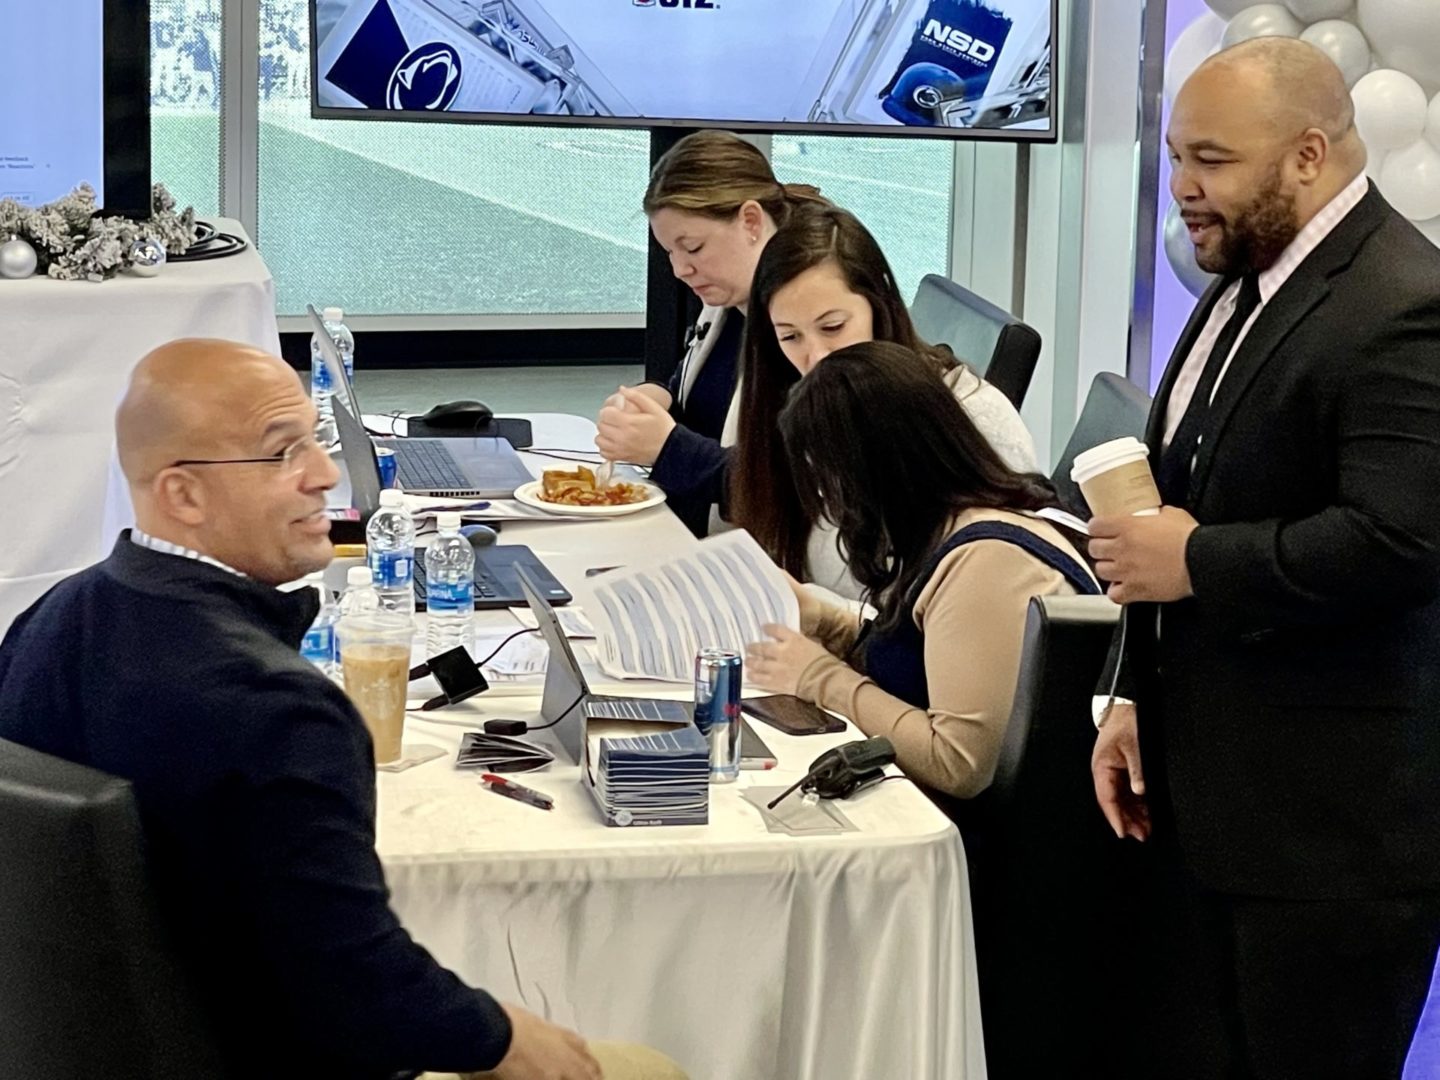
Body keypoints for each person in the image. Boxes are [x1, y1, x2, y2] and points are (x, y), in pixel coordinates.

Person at [0, 340, 685, 1080]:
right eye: (283, 453)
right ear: (184, 494)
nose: (325, 476)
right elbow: (356, 989)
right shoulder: (278, 710)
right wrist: (501, 1036)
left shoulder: (46, 621)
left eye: (315, 444)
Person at [1087, 39, 1440, 1080]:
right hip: (1214, 799)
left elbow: (1403, 541)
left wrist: (1198, 564)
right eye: (1174, 157)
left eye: (1212, 159)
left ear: (1308, 156)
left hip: (1334, 838)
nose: (1184, 188)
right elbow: (1172, 501)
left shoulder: (1403, 305)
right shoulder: (1248, 273)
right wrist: (1127, 692)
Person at [744, 342, 1095, 802]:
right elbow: (928, 661)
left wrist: (817, 677)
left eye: (829, 479)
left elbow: (958, 762)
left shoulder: (988, 562)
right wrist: (833, 622)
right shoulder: (953, 523)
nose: (830, 503)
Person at [731, 204, 1038, 600]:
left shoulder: (973, 418)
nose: (817, 356)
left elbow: (977, 598)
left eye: (833, 327)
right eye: (791, 337)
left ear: (880, 306)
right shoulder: (789, 403)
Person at [593, 130, 828, 535]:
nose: (680, 269)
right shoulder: (730, 300)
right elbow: (703, 397)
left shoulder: (806, 330)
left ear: (750, 221)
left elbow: (805, 490)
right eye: (671, 252)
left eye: (694, 248)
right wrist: (656, 398)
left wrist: (669, 449)